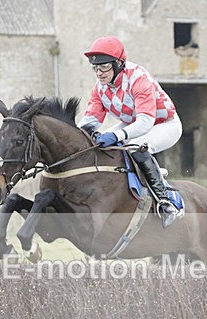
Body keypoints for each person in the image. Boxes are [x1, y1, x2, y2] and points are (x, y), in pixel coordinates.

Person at [77, 36, 182, 228]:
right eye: (95, 68)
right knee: (98, 145)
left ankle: (165, 202)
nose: (99, 73)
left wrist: (116, 135)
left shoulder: (138, 78)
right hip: (134, 123)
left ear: (118, 64)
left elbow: (145, 121)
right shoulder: (100, 88)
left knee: (136, 148)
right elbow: (89, 121)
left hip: (164, 124)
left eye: (104, 67)